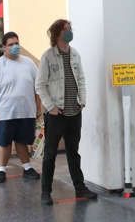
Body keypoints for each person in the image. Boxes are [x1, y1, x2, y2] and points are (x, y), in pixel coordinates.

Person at [35, 19, 97, 205]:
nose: (70, 32)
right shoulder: (48, 57)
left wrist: (83, 101)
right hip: (56, 114)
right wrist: (50, 107)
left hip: (74, 112)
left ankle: (80, 187)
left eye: (70, 28)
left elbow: (82, 79)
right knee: (50, 154)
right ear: (57, 34)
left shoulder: (75, 54)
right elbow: (40, 85)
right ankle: (46, 191)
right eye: (66, 29)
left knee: (73, 152)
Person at [0, 32, 41, 184]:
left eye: (17, 43)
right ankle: (1, 170)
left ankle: (27, 167)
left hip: (26, 111)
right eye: (11, 44)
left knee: (22, 141)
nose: (15, 46)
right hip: (5, 112)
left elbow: (37, 86)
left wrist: (38, 106)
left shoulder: (29, 63)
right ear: (4, 47)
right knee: (5, 142)